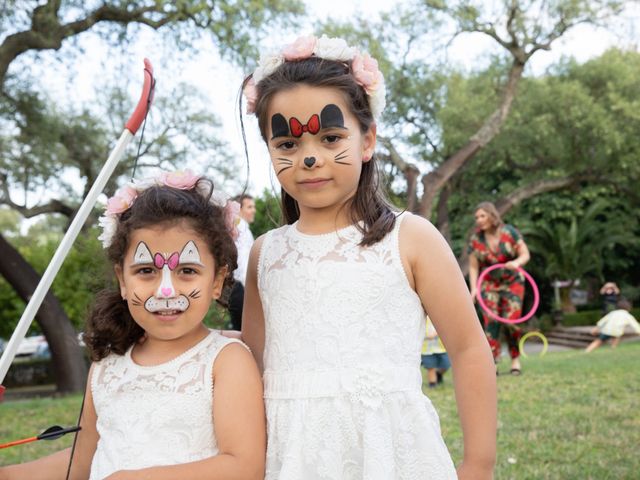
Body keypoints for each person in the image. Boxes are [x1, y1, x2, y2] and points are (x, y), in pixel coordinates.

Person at [240, 35, 496, 480]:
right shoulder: (265, 254)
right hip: (291, 459)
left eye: (331, 137)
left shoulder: (411, 238)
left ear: (368, 140)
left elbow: (470, 348)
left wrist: (478, 463)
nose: (310, 157)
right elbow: (252, 365)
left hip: (392, 455)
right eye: (287, 145)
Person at [0, 172, 266, 480]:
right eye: (146, 270)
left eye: (188, 270)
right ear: (122, 280)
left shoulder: (227, 360)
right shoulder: (106, 365)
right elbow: (80, 463)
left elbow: (244, 466)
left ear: (217, 281)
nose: (166, 290)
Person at [468, 201, 531, 375]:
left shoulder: (509, 232)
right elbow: (473, 266)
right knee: (491, 322)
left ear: (492, 215)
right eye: (477, 217)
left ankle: (515, 359)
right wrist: (474, 289)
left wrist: (516, 263)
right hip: (488, 284)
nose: (479, 220)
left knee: (512, 321)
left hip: (513, 282)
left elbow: (525, 254)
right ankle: (493, 362)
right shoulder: (476, 239)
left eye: (482, 215)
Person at [229, 194, 256, 330]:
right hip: (240, 287)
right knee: (243, 330)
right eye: (250, 207)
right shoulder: (240, 229)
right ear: (239, 209)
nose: (254, 210)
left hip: (238, 287)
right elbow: (241, 262)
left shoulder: (240, 227)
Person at [421, 317, 451, 388]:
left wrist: (436, 333)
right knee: (431, 367)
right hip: (426, 349)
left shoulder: (439, 316)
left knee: (446, 364)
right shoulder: (421, 318)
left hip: (441, 348)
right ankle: (432, 384)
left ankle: (438, 374)